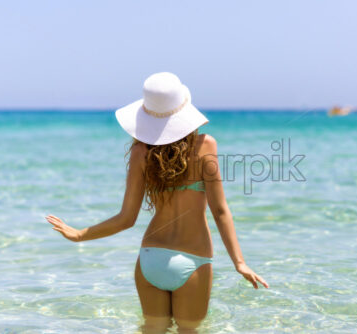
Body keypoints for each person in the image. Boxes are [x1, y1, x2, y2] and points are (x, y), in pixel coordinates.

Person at [46, 72, 269, 333]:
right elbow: (220, 211)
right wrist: (239, 263)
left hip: (150, 259)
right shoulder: (206, 145)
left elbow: (126, 219)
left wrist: (81, 234)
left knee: (152, 329)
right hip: (193, 258)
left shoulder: (141, 152)